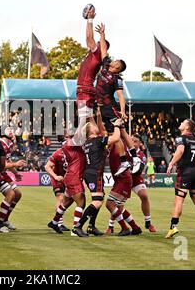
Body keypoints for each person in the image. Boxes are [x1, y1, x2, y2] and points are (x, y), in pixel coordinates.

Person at [94, 23, 141, 176]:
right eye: (115, 61)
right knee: (115, 136)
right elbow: (103, 48)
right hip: (102, 108)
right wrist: (102, 34)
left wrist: (122, 111)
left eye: (117, 63)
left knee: (121, 131)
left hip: (111, 107)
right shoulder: (105, 64)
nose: (114, 61)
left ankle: (135, 158)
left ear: (118, 68)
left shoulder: (117, 79)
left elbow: (121, 95)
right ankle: (124, 160)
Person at [74, 108, 122, 236]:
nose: (95, 126)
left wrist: (97, 116)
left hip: (89, 173)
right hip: (95, 173)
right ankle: (79, 226)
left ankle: (91, 226)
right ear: (92, 131)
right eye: (93, 125)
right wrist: (117, 125)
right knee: (97, 202)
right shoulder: (97, 140)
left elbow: (98, 127)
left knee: (98, 199)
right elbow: (116, 138)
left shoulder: (88, 142)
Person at [165, 119, 195, 239]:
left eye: (182, 123)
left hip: (184, 172)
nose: (180, 124)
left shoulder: (181, 139)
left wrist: (171, 164)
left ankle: (173, 227)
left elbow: (180, 151)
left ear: (186, 127)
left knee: (178, 201)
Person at [107, 134, 156, 234]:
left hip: (135, 179)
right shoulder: (124, 149)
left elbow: (138, 171)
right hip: (125, 179)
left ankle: (148, 222)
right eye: (131, 140)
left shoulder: (141, 155)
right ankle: (111, 225)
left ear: (140, 143)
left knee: (144, 196)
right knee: (117, 204)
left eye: (135, 141)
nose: (133, 142)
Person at [0, 127, 26, 233]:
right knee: (10, 194)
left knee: (18, 194)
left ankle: (4, 219)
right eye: (9, 129)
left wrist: (16, 173)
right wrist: (16, 164)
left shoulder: (9, 144)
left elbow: (7, 160)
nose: (12, 131)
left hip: (3, 172)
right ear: (2, 133)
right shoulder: (0, 144)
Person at [45, 142, 69, 232]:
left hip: (67, 179)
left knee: (67, 200)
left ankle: (56, 222)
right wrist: (55, 177)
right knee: (61, 198)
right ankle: (59, 223)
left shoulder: (74, 153)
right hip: (57, 179)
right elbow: (47, 166)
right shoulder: (57, 153)